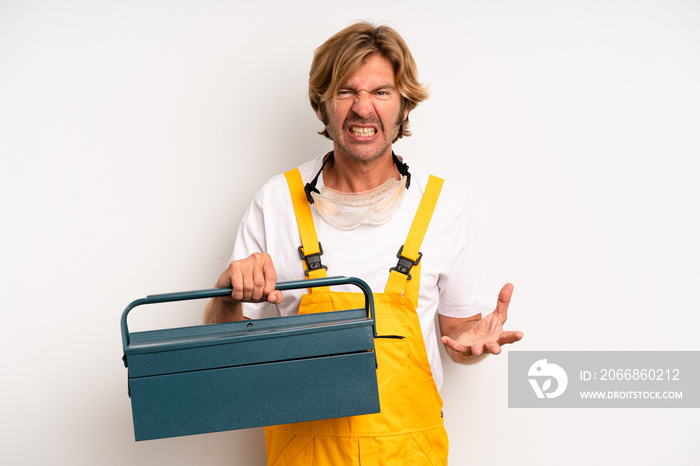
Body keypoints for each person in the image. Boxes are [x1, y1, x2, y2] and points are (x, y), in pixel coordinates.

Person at [204, 21, 523, 466]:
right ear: (322, 108)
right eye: (345, 91)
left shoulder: (443, 206)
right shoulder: (277, 201)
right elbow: (223, 349)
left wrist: (471, 345)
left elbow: (457, 335)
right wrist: (227, 292)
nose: (363, 108)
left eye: (381, 92)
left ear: (404, 107)